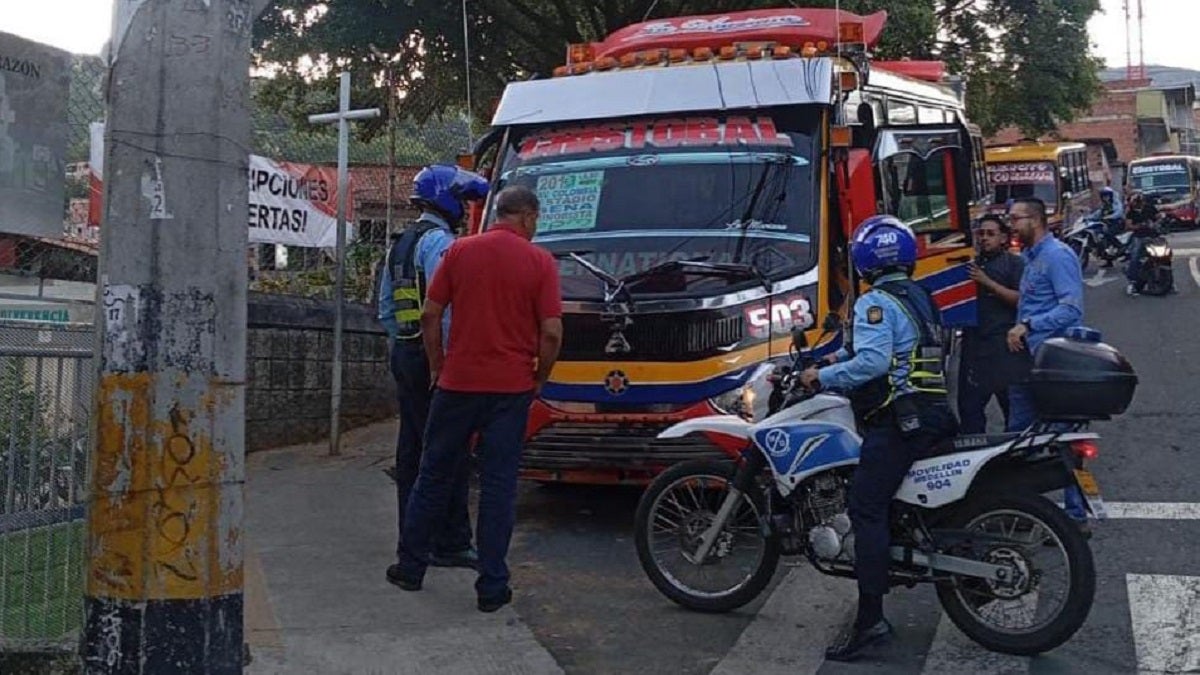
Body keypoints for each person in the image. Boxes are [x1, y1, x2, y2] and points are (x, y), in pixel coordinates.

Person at [388, 185, 564, 613]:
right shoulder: (540, 262)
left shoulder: (460, 252)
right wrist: (540, 377)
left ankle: (410, 567)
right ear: (526, 217)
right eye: (535, 221)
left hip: (457, 385)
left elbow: (430, 314)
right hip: (510, 390)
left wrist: (436, 365)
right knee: (498, 488)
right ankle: (491, 587)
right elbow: (553, 332)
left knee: (433, 474)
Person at [798, 215, 958, 662]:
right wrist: (822, 358)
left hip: (901, 420)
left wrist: (820, 376)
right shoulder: (918, 296)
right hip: (933, 412)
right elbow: (877, 348)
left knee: (865, 506)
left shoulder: (876, 302)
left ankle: (870, 620)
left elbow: (871, 362)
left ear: (865, 260)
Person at [377, 164, 490, 571]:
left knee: (411, 450)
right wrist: (444, 363)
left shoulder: (401, 243)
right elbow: (443, 311)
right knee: (449, 450)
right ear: (445, 198)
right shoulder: (440, 244)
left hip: (405, 354)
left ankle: (413, 537)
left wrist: (402, 351)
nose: (463, 208)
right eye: (460, 200)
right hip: (433, 358)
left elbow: (386, 309)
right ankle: (450, 541)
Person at [1003, 197, 1089, 532]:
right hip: (1027, 362)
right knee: (1018, 439)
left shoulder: (1057, 256)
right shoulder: (1029, 257)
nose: (1012, 225)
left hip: (1052, 362)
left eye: (1016, 218)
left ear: (1035, 220)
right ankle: (1022, 511)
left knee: (1063, 440)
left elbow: (1072, 309)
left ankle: (1075, 516)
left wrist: (1029, 325)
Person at [959, 215, 1029, 433]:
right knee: (969, 408)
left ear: (1003, 238)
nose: (984, 238)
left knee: (1012, 407)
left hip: (1005, 345)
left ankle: (1016, 456)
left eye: (990, 234)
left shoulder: (1015, 264)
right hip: (974, 345)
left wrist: (986, 282)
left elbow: (1020, 300)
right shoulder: (969, 264)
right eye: (980, 234)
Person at [1123, 190, 1161, 296]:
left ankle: (1169, 281)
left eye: (1137, 202)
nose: (1135, 204)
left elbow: (1159, 217)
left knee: (1165, 253)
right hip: (1139, 236)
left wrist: (1155, 223)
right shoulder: (1131, 212)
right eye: (1133, 203)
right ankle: (1132, 283)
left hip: (1153, 235)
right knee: (1134, 256)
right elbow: (1128, 226)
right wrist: (1140, 226)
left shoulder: (1149, 208)